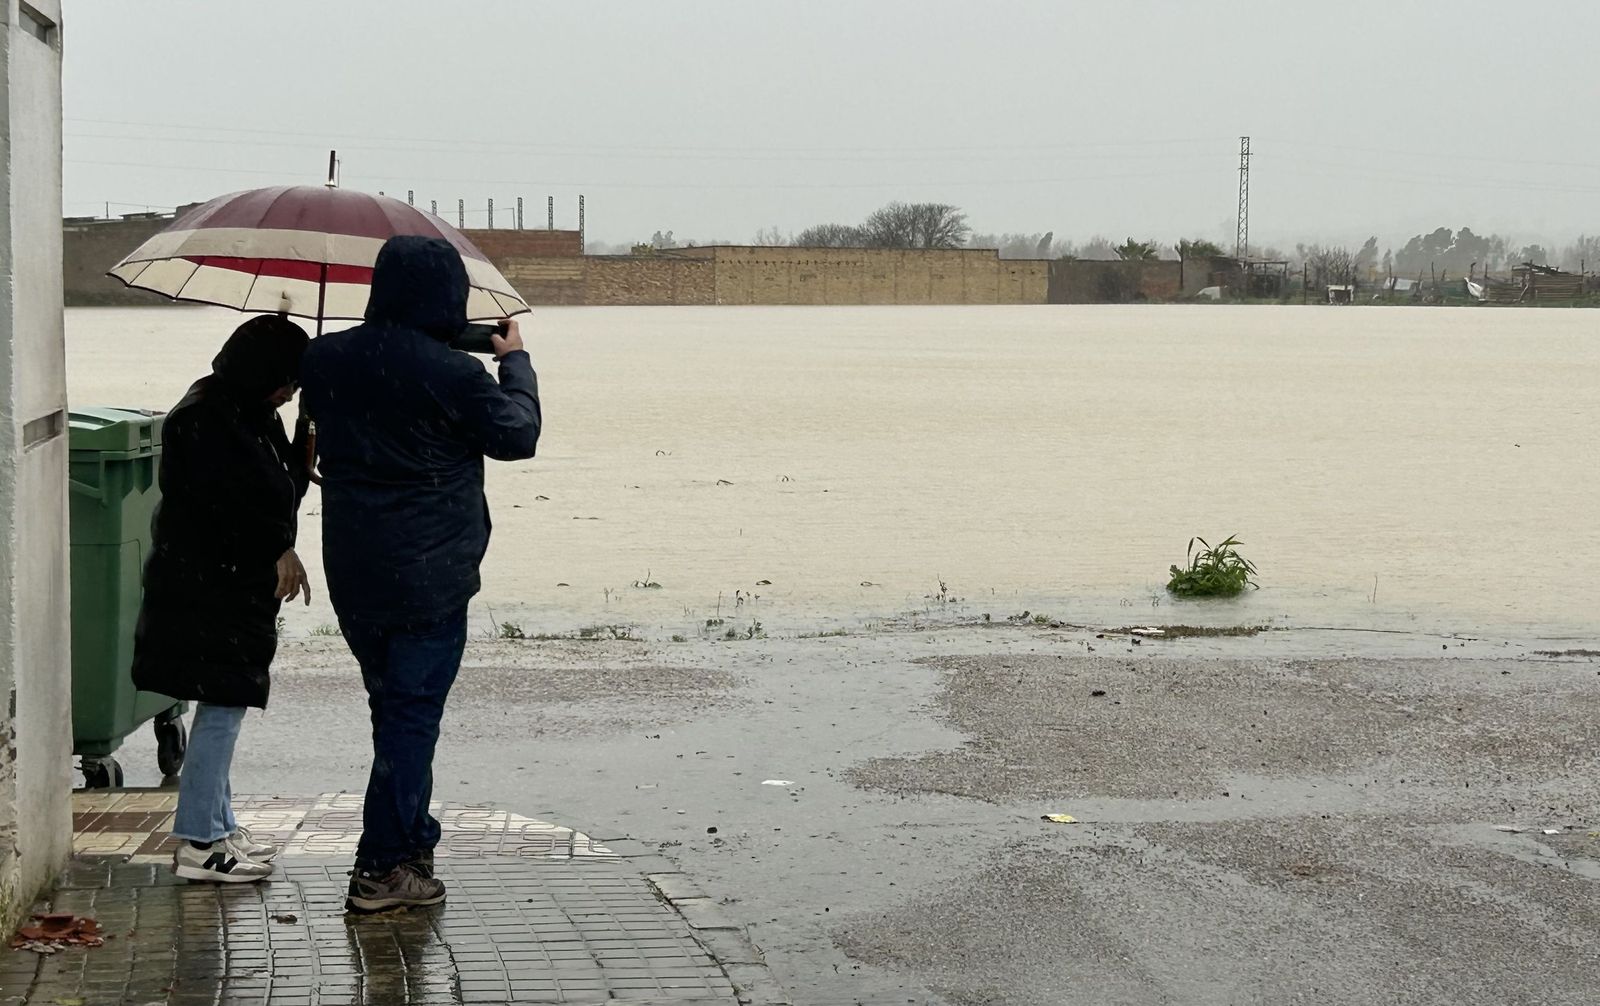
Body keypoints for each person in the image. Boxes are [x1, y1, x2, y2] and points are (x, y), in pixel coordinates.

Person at [298, 235, 541, 913]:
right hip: (430, 575)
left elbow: (367, 384)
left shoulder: (324, 359)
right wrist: (513, 361)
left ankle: (411, 841)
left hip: (354, 568)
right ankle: (380, 868)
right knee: (411, 720)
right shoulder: (454, 375)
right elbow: (518, 435)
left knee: (396, 713)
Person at [132, 315, 313, 884]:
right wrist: (278, 549)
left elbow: (279, 490)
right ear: (260, 370)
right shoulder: (207, 419)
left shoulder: (248, 411)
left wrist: (303, 439)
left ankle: (218, 823)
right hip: (210, 589)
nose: (289, 391)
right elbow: (229, 507)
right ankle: (199, 843)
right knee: (222, 707)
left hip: (226, 588)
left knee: (223, 702)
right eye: (286, 379)